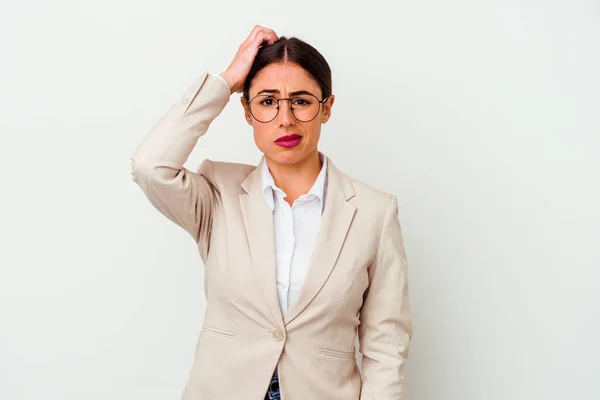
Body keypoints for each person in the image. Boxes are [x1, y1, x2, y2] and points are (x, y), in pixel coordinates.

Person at [130, 25, 412, 400]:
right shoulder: (218, 193)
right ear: (246, 112)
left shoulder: (374, 212)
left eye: (300, 101)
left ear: (326, 108)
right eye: (267, 101)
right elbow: (150, 166)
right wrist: (226, 81)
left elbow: (385, 348)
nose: (285, 119)